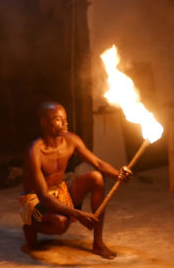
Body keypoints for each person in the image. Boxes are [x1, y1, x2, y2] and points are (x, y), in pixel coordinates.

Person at [21, 102, 132, 259]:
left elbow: (99, 164)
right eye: (58, 119)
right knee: (61, 224)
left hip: (60, 192)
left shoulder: (71, 140)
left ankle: (98, 243)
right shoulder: (35, 151)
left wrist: (118, 174)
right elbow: (44, 196)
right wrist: (79, 214)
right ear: (44, 122)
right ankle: (31, 228)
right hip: (35, 201)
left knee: (96, 177)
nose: (65, 123)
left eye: (65, 118)